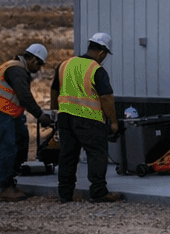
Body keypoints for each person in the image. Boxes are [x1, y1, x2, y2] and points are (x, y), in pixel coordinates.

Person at [50, 32, 124, 204]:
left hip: (65, 117)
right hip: (89, 119)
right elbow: (106, 98)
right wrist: (113, 121)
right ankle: (98, 193)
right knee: (96, 154)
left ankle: (65, 194)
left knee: (67, 155)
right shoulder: (97, 70)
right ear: (102, 53)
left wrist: (56, 109)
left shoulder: (65, 64)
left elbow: (54, 89)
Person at [0, 42, 50, 200]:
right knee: (6, 145)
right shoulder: (17, 70)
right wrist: (40, 115)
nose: (39, 69)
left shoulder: (17, 69)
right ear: (32, 59)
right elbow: (24, 96)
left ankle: (11, 178)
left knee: (21, 139)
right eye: (39, 64)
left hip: (9, 112)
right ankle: (5, 187)